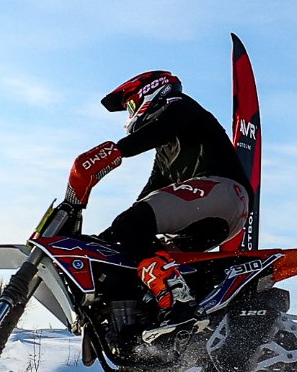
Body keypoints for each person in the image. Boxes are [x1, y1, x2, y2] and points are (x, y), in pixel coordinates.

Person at [65, 69, 250, 309]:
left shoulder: (183, 107)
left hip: (222, 191)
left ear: (150, 92)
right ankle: (175, 310)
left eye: (130, 106)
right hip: (212, 218)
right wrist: (106, 238)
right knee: (131, 251)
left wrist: (117, 150)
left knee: (130, 224)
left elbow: (160, 129)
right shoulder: (165, 151)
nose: (130, 115)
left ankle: (174, 291)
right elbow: (149, 195)